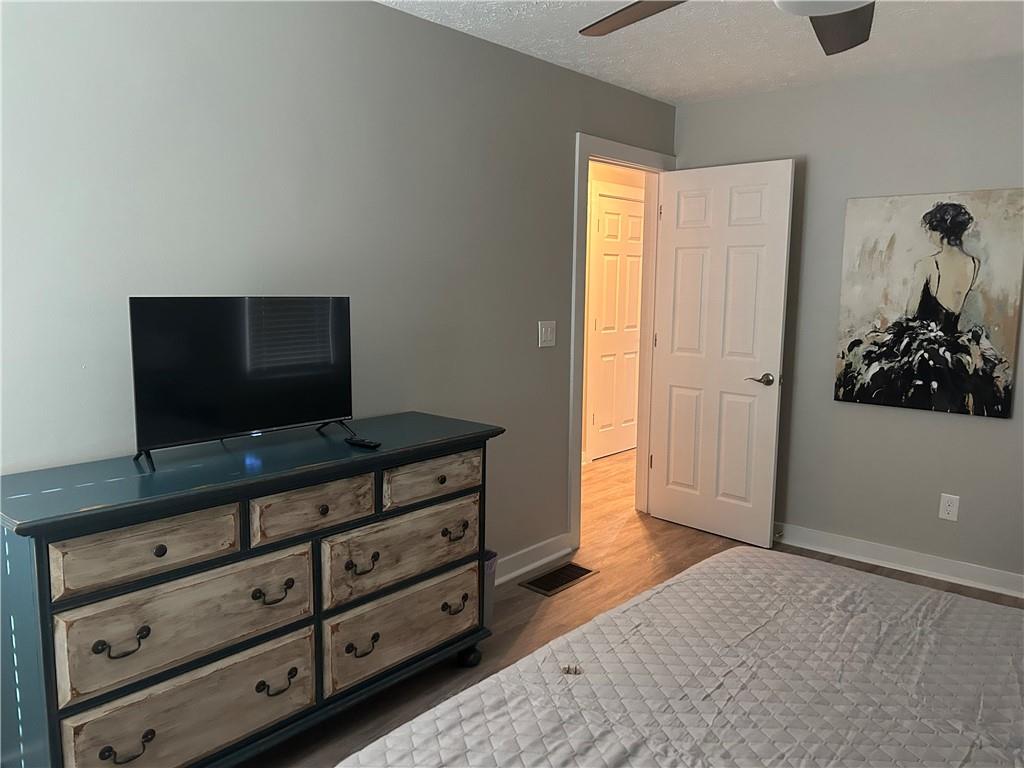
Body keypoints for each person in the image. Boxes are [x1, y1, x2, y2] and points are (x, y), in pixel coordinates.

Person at [835, 201, 1013, 417]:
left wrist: (885, 332)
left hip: (921, 344)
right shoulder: (974, 263)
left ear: (940, 232)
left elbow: (910, 313)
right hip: (953, 342)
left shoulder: (928, 265)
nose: (928, 235)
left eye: (930, 230)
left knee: (864, 366)